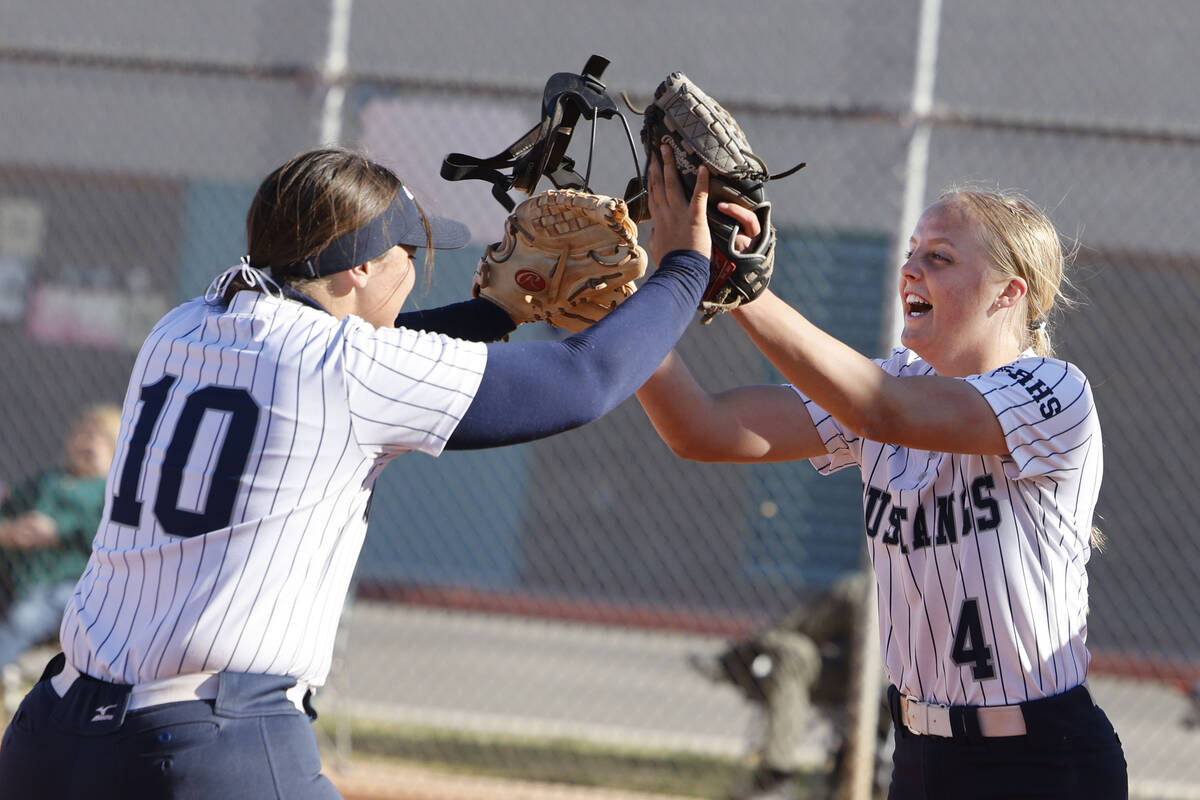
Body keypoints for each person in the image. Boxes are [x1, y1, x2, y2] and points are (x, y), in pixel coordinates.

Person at [0, 144, 712, 799]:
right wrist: (685, 267)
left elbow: (367, 352)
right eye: (406, 252)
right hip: (202, 746)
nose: (413, 269)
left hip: (49, 738)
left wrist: (495, 311)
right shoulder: (349, 372)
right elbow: (580, 381)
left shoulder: (183, 326)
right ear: (359, 267)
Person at [635, 189, 1127, 799]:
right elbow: (700, 428)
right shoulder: (892, 383)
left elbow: (881, 411)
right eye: (914, 250)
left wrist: (744, 285)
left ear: (1010, 292)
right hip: (921, 759)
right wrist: (624, 305)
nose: (911, 268)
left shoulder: (1053, 392)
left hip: (1039, 762)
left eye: (941, 257)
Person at [0, 404, 121, 670]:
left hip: (71, 587)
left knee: (27, 616)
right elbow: (6, 511)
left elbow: (106, 536)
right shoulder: (48, 481)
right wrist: (10, 532)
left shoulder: (111, 493)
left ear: (116, 447)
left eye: (99, 436)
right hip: (16, 578)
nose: (88, 441)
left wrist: (57, 531)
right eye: (84, 433)